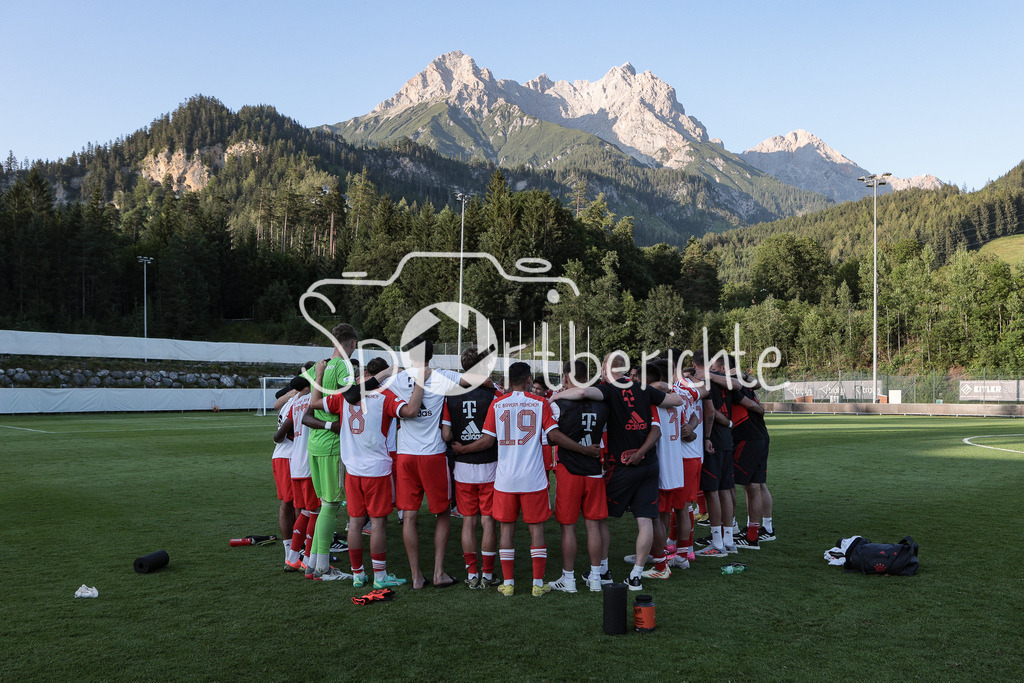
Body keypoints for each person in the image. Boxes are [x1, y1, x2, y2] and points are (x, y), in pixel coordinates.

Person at [454, 362, 600, 597]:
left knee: (506, 531)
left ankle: (509, 584)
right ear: (529, 379)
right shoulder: (541, 403)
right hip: (533, 478)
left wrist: (462, 449)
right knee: (537, 531)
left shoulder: (497, 403)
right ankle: (537, 583)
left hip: (505, 480)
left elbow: (487, 441)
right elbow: (554, 436)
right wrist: (583, 450)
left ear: (509, 380)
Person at [551, 352, 682, 591]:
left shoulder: (609, 390)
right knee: (645, 520)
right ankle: (636, 574)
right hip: (648, 463)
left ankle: (603, 570)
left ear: (605, 368)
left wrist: (554, 397)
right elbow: (675, 403)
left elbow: (581, 392)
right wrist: (663, 387)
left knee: (598, 518)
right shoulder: (644, 389)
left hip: (622, 464)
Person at [311, 357, 426, 588]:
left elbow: (314, 403)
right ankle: (380, 577)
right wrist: (421, 382)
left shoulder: (343, 398)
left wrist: (320, 376)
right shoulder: (385, 397)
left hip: (352, 470)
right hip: (377, 470)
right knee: (377, 524)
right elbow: (412, 411)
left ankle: (357, 575)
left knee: (354, 522)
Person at [390, 336, 485, 589]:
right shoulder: (441, 375)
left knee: (409, 516)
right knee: (442, 513)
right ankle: (439, 572)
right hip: (432, 454)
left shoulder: (398, 379)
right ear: (431, 355)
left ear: (409, 356)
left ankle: (416, 577)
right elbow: (474, 379)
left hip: (406, 455)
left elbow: (369, 386)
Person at [441, 347, 500, 589]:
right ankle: (487, 575)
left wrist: (460, 441)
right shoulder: (493, 394)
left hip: (463, 466)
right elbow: (493, 437)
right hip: (489, 463)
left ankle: (472, 574)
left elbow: (445, 433)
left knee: (468, 522)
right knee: (488, 521)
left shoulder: (451, 394)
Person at [549, 359, 610, 593]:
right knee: (593, 526)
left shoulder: (557, 403)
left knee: (568, 527)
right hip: (594, 470)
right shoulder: (603, 403)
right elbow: (603, 437)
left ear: (566, 377)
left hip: (569, 470)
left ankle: (569, 578)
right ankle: (595, 577)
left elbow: (553, 437)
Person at [304, 323, 358, 580]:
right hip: (332, 445)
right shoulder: (343, 367)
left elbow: (310, 408)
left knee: (324, 504)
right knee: (331, 504)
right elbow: (353, 398)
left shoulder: (318, 366)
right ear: (352, 344)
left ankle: (313, 564)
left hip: (314, 443)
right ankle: (324, 568)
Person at [692, 350, 744, 558]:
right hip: (726, 439)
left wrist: (706, 437)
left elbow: (710, 411)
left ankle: (717, 543)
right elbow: (740, 386)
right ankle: (729, 540)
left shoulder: (705, 381)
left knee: (712, 491)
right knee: (726, 489)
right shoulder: (726, 380)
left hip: (713, 439)